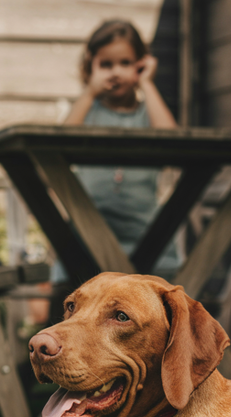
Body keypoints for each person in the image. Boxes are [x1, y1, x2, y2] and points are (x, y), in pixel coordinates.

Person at [61, 19, 179, 278]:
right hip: (87, 237)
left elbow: (174, 142)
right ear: (90, 65)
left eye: (125, 63)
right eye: (106, 64)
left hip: (144, 234)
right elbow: (60, 142)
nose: (115, 72)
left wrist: (147, 83)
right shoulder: (87, 110)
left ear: (141, 63)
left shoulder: (149, 114)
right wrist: (90, 91)